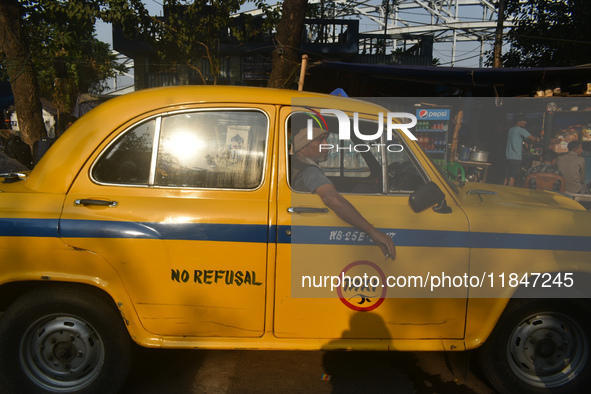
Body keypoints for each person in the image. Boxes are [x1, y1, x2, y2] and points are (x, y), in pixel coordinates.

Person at [291, 127, 396, 260]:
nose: (327, 144)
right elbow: (330, 196)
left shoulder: (298, 165)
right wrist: (373, 232)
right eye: (320, 140)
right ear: (302, 148)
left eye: (326, 139)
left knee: (361, 187)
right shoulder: (309, 171)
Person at [503, 114, 540, 186]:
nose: (525, 122)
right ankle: (509, 193)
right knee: (512, 177)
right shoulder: (520, 130)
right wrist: (541, 138)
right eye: (524, 121)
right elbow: (533, 139)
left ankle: (502, 192)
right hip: (515, 157)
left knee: (507, 176)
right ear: (518, 121)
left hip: (508, 156)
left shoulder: (511, 130)